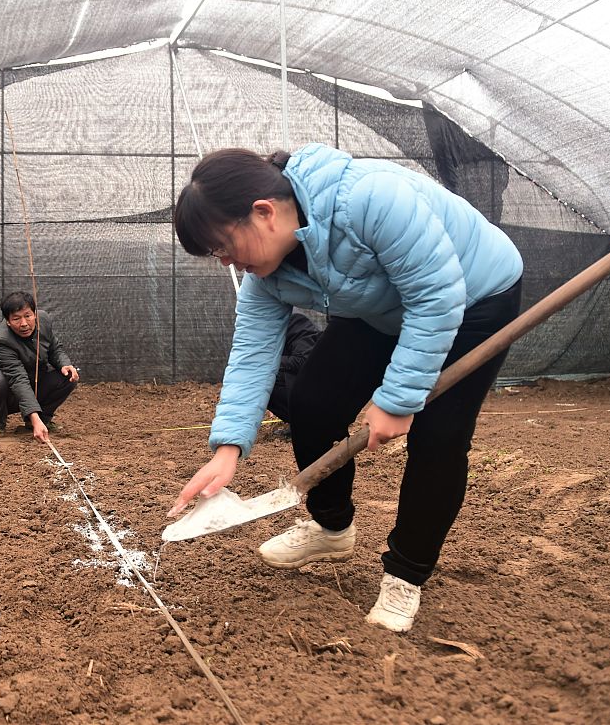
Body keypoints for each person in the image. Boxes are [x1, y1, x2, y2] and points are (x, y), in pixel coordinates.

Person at [166, 144, 523, 633]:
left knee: (438, 436)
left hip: (472, 296)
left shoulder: (369, 198)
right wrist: (228, 447)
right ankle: (332, 526)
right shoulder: (268, 276)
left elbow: (437, 297)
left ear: (264, 213)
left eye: (224, 245)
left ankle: (406, 575)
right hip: (381, 305)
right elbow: (252, 353)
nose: (228, 261)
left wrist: (397, 400)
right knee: (312, 403)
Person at [0, 291, 80, 443]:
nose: (24, 323)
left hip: (35, 381)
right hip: (4, 394)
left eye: (28, 315)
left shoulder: (44, 320)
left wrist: (65, 364)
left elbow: (54, 348)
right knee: (1, 380)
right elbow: (17, 379)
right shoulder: (2, 343)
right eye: (16, 319)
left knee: (68, 376)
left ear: (35, 314)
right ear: (7, 321)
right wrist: (35, 418)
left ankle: (43, 419)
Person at [266, 312, 320, 426]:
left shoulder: (296, 323)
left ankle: (310, 422)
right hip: (304, 388)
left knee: (263, 378)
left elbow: (304, 361)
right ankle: (299, 424)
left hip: (321, 390)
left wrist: (264, 361)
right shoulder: (260, 333)